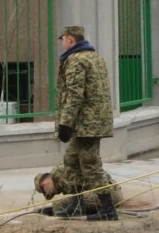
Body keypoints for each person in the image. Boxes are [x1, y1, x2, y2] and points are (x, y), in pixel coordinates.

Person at [52, 25, 118, 221]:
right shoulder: (95, 57)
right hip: (91, 121)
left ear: (71, 40)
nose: (62, 42)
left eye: (63, 38)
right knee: (71, 161)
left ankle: (108, 209)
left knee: (90, 164)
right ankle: (76, 204)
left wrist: (65, 123)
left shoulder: (76, 60)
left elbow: (74, 94)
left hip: (86, 124)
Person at [34, 167, 123, 217]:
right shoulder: (60, 176)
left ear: (44, 184)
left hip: (108, 194)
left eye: (47, 192)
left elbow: (77, 198)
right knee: (66, 203)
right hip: (110, 192)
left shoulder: (59, 173)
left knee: (58, 203)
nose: (52, 193)